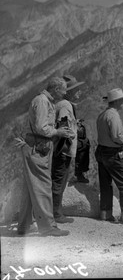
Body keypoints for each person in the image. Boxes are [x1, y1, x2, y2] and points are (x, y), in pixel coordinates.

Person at [18, 77, 75, 236]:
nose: (65, 93)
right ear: (56, 89)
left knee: (30, 188)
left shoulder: (42, 100)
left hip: (35, 146)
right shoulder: (43, 102)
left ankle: (24, 226)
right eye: (63, 90)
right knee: (43, 185)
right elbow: (42, 127)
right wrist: (58, 132)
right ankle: (48, 226)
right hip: (39, 147)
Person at [95, 88, 123, 224]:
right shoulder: (113, 116)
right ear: (118, 101)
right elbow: (116, 137)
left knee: (105, 184)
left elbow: (110, 134)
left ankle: (105, 214)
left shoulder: (103, 115)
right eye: (122, 99)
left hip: (102, 152)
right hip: (113, 154)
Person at [51, 74, 85, 224]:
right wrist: (71, 133)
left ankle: (54, 212)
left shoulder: (64, 104)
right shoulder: (65, 105)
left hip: (61, 149)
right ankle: (55, 214)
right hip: (63, 150)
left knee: (59, 180)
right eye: (76, 90)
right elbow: (63, 124)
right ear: (68, 92)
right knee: (59, 182)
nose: (79, 92)